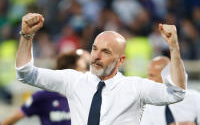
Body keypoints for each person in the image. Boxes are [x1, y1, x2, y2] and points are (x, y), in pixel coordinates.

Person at [15, 13, 187, 125]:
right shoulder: (73, 81)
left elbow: (177, 93)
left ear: (120, 60)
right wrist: (26, 36)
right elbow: (25, 73)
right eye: (95, 48)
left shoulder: (135, 87)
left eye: (105, 52)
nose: (96, 56)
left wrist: (174, 48)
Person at [2, 50, 89, 125]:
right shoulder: (43, 97)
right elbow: (12, 119)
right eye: (83, 69)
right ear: (70, 72)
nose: (87, 73)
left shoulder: (87, 96)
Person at [141, 56, 200, 125]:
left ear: (167, 76)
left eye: (152, 75)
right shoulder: (146, 105)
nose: (148, 80)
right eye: (148, 75)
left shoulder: (195, 97)